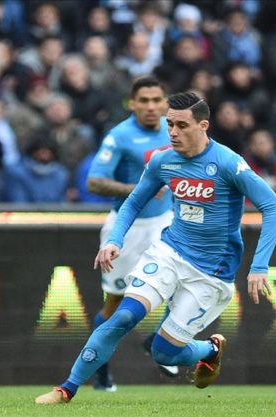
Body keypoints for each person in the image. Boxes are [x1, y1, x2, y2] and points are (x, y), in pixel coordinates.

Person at [36, 92, 276, 404]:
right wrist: (115, 240)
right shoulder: (163, 160)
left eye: (181, 125)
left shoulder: (227, 164)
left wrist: (259, 266)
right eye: (170, 125)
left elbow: (274, 208)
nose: (173, 132)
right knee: (123, 318)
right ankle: (66, 389)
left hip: (212, 271)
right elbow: (134, 202)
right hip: (169, 252)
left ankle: (209, 349)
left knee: (162, 352)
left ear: (203, 125)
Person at [85, 75, 177, 391]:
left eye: (157, 100)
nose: (151, 107)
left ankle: (159, 341)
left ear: (166, 103)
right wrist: (137, 189)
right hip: (127, 228)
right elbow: (94, 181)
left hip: (165, 222)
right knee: (115, 307)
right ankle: (100, 374)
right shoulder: (120, 136)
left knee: (184, 282)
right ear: (132, 103)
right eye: (144, 101)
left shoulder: (174, 129)